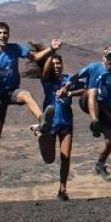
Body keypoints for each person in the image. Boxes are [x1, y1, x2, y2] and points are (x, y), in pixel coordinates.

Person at [0, 22, 61, 188]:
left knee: (26, 95)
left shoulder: (15, 48)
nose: (2, 36)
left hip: (12, 92)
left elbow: (36, 57)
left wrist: (51, 49)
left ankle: (43, 120)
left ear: (8, 34)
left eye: (5, 33)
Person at [35, 55, 83, 201]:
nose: (56, 66)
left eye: (59, 63)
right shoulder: (47, 80)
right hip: (50, 125)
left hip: (66, 123)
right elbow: (44, 70)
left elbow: (84, 90)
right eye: (53, 64)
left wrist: (70, 92)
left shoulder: (68, 79)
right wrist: (51, 52)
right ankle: (39, 134)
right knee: (49, 159)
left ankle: (62, 190)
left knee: (65, 157)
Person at [74, 45, 111, 179]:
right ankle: (94, 121)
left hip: (104, 106)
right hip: (87, 100)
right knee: (92, 91)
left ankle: (100, 164)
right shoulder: (93, 67)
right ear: (103, 57)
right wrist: (66, 89)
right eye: (109, 57)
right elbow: (76, 77)